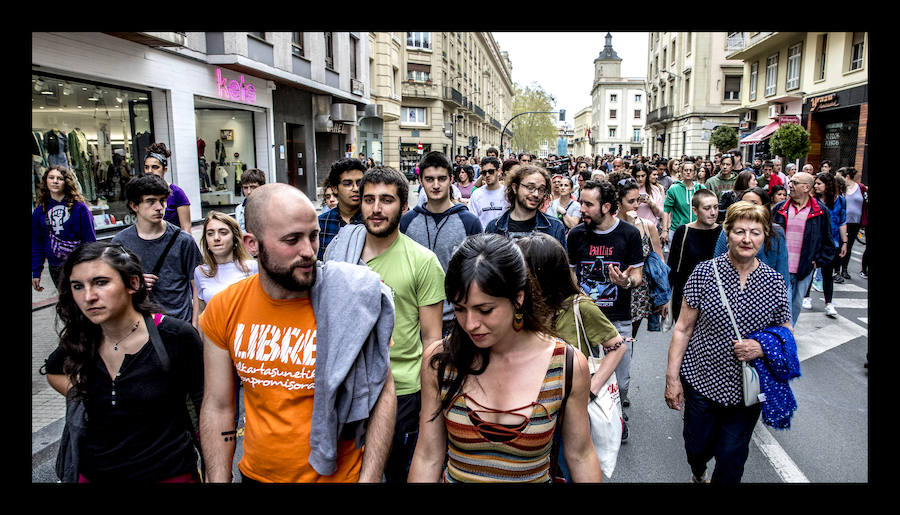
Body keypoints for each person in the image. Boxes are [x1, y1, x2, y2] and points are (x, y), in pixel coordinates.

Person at [198, 183, 397, 483]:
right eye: (292, 240)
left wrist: (369, 479)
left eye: (313, 236)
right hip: (257, 475)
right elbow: (217, 405)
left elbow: (383, 393)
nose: (308, 251)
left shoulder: (351, 297)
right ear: (252, 243)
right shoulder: (224, 308)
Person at [408, 233, 602, 483]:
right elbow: (428, 455)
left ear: (518, 298)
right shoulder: (440, 361)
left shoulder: (566, 364)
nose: (470, 324)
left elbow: (581, 455)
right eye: (459, 309)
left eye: (485, 310)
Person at [44, 241, 203, 482]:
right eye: (78, 286)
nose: (88, 297)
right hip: (94, 473)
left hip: (167, 472)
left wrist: (216, 470)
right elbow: (53, 371)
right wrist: (86, 393)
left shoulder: (174, 336)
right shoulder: (82, 337)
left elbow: (207, 407)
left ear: (133, 283)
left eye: (101, 282)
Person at [325, 166, 446, 483]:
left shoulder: (423, 262)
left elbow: (432, 339)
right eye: (369, 199)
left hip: (403, 392)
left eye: (386, 200)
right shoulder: (339, 254)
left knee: (394, 474)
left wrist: (428, 406)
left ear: (404, 206)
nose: (376, 209)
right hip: (345, 384)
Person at [665, 201, 793, 484]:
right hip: (701, 380)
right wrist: (672, 378)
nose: (747, 239)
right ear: (728, 233)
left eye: (756, 232)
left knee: (732, 455)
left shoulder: (774, 282)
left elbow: (786, 331)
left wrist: (761, 348)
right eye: (740, 231)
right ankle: (698, 472)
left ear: (765, 237)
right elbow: (683, 328)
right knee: (697, 447)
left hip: (746, 387)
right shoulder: (704, 273)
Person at [568, 179, 644, 430]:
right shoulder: (576, 235)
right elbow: (572, 276)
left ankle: (618, 414)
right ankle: (589, 424)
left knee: (620, 382)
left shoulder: (630, 234)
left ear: (607, 206)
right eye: (581, 203)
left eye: (589, 204)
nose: (582, 209)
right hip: (583, 321)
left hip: (618, 319)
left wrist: (625, 283)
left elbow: (637, 277)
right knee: (583, 379)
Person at [400, 152, 483, 338]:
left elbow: (478, 273)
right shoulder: (407, 222)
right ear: (420, 180)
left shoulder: (469, 222)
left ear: (451, 180)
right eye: (429, 179)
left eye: (441, 179)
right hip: (414, 320)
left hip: (456, 320)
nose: (436, 185)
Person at [111, 174, 202, 327]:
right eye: (151, 201)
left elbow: (198, 285)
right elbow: (112, 287)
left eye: (162, 201)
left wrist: (195, 325)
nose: (159, 207)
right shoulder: (120, 243)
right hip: (140, 326)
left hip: (179, 324)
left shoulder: (183, 240)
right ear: (134, 206)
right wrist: (132, 283)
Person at [771, 172, 836, 328]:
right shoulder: (780, 209)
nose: (790, 185)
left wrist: (817, 261)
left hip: (804, 269)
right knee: (781, 305)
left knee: (796, 305)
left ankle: (787, 336)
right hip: (780, 268)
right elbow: (768, 236)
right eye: (790, 182)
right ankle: (783, 336)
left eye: (795, 182)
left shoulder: (820, 211)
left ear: (807, 187)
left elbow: (828, 241)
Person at [714, 187, 791, 316]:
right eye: (744, 204)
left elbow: (782, 273)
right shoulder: (727, 231)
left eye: (754, 204)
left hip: (765, 297)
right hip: (730, 295)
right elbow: (717, 265)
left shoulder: (777, 233)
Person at [616, 177, 666, 339]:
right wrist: (629, 227)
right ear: (619, 203)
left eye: (638, 200)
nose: (636, 205)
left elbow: (659, 262)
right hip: (612, 292)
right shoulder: (609, 226)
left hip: (638, 294)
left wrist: (663, 296)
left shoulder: (647, 226)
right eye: (631, 201)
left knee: (628, 343)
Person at [32, 166, 97, 291]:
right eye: (51, 178)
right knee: (65, 305)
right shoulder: (39, 212)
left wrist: (91, 267)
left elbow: (90, 241)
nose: (55, 181)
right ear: (46, 181)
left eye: (60, 178)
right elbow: (37, 243)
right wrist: (36, 271)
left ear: (66, 182)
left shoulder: (80, 209)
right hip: (55, 267)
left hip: (78, 265)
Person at [667, 189, 722, 323]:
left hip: (715, 300)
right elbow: (673, 267)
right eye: (707, 208)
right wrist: (667, 299)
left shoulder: (723, 233)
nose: (713, 212)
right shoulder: (683, 231)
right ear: (695, 210)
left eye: (715, 207)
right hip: (686, 297)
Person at [484, 164, 567, 248]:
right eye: (530, 187)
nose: (536, 194)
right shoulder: (494, 227)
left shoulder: (555, 227)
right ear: (515, 188)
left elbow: (561, 260)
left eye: (541, 189)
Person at [192, 211, 258, 314]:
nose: (216, 238)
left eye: (223, 233)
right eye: (210, 234)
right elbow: (200, 313)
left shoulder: (253, 267)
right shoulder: (200, 272)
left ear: (235, 238)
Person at [802, 173, 847, 317]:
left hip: (831, 242)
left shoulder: (840, 200)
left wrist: (844, 242)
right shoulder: (812, 201)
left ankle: (829, 303)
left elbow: (842, 221)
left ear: (828, 185)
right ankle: (806, 297)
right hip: (814, 241)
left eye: (819, 183)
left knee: (828, 273)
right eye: (815, 183)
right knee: (810, 270)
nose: (816, 186)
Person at [317, 158, 366, 260]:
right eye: (347, 183)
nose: (355, 188)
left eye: (359, 182)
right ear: (334, 188)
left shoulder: (373, 221)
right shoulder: (321, 224)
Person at [143, 142, 192, 233]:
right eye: (146, 167)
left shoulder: (177, 192)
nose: (150, 171)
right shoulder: (141, 193)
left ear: (165, 169)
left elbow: (186, 230)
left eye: (155, 167)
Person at [662, 159, 707, 244]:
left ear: (695, 173)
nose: (688, 172)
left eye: (691, 170)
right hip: (678, 230)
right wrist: (664, 230)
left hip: (697, 230)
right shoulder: (674, 189)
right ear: (681, 172)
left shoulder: (701, 188)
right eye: (686, 170)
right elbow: (666, 210)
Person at [836, 167, 868, 280]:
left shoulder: (861, 188)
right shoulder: (841, 189)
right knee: (840, 245)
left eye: (839, 176)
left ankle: (844, 269)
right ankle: (837, 270)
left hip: (856, 221)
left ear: (847, 176)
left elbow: (865, 202)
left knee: (849, 246)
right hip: (843, 221)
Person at [467, 156, 508, 228]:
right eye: (484, 173)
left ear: (498, 171)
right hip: (483, 237)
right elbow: (472, 220)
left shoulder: (507, 193)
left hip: (503, 237)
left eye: (491, 172)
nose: (487, 175)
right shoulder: (476, 194)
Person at [233, 168, 266, 233]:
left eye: (253, 187)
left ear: (261, 187)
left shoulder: (269, 207)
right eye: (245, 188)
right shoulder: (239, 209)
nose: (249, 192)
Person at [633, 163, 664, 228]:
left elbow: (661, 214)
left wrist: (651, 204)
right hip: (635, 227)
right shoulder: (630, 190)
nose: (640, 179)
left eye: (643, 176)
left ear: (647, 175)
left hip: (652, 227)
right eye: (638, 176)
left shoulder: (654, 189)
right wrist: (637, 203)